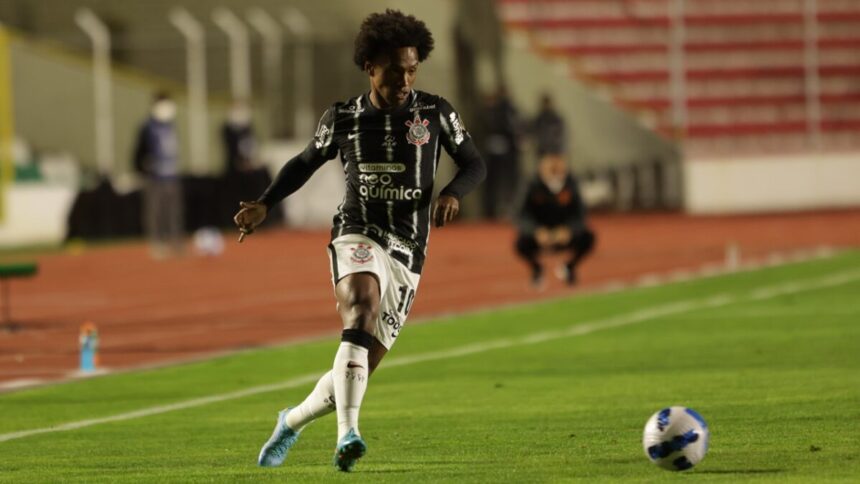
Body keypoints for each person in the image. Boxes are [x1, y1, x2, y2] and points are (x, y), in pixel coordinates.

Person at [233, 10, 485, 473]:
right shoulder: (343, 117)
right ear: (370, 67)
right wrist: (266, 203)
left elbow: (474, 164)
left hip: (409, 252)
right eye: (395, 71)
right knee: (361, 307)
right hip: (358, 232)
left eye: (412, 70)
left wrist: (453, 193)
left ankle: (290, 421)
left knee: (358, 367)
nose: (405, 80)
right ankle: (349, 433)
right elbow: (305, 162)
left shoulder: (435, 112)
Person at [514, 154, 595, 288]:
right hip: (541, 233)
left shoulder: (571, 184)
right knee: (520, 243)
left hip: (563, 233)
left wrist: (569, 230)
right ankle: (537, 269)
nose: (555, 172)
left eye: (558, 168)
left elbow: (580, 214)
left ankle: (569, 267)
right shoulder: (532, 185)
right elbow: (521, 214)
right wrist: (536, 231)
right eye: (551, 168)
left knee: (589, 237)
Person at [133, 91, 184, 258]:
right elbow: (138, 152)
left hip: (171, 174)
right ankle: (157, 243)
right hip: (154, 176)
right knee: (155, 211)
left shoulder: (171, 125)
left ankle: (175, 241)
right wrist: (142, 168)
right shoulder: (147, 126)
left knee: (173, 210)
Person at [478, 86, 522, 219]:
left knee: (504, 183)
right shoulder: (489, 113)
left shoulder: (507, 112)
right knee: (494, 183)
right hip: (494, 154)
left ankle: (504, 209)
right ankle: (492, 210)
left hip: (506, 154)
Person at [221, 100, 255, 175]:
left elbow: (250, 145)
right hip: (233, 166)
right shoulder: (227, 129)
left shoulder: (248, 129)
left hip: (248, 167)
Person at [532, 93, 566, 158]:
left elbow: (561, 135)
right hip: (543, 151)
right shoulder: (539, 119)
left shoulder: (556, 119)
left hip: (555, 151)